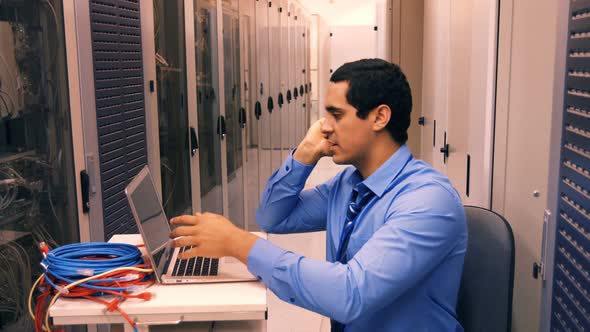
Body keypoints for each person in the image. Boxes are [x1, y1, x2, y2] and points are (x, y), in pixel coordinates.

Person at [170, 58, 467, 331]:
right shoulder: (350, 184)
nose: (324, 127)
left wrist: (238, 243)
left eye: (336, 115)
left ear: (379, 117)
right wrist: (305, 153)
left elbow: (350, 294)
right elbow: (273, 218)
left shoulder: (428, 202)